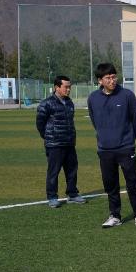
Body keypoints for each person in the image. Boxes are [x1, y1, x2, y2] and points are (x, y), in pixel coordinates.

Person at [87, 62, 136, 228]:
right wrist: (104, 137)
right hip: (105, 149)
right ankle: (115, 215)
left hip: (125, 147)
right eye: (108, 78)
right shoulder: (93, 98)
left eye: (114, 77)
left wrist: (129, 139)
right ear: (100, 80)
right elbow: (94, 120)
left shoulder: (127, 95)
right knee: (110, 184)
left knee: (132, 182)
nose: (112, 80)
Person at [36, 75, 86, 208]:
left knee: (72, 170)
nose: (68, 89)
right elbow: (40, 124)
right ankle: (52, 197)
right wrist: (48, 137)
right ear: (57, 87)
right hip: (54, 144)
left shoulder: (69, 102)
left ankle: (73, 194)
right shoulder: (46, 103)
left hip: (69, 143)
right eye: (66, 87)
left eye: (69, 87)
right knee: (54, 171)